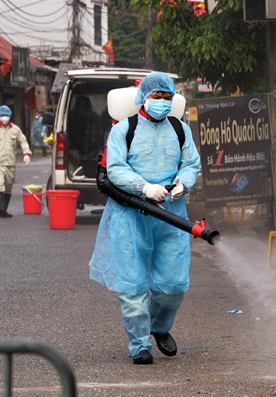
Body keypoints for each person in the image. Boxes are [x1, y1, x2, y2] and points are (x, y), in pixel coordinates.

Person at [89, 72, 201, 365]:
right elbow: (115, 169)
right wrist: (144, 187)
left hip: (171, 213)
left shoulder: (180, 130)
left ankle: (159, 327)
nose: (162, 102)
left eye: (167, 97)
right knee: (132, 283)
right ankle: (139, 343)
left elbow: (190, 163)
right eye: (157, 97)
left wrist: (182, 183)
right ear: (143, 98)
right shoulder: (124, 130)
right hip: (131, 213)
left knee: (174, 283)